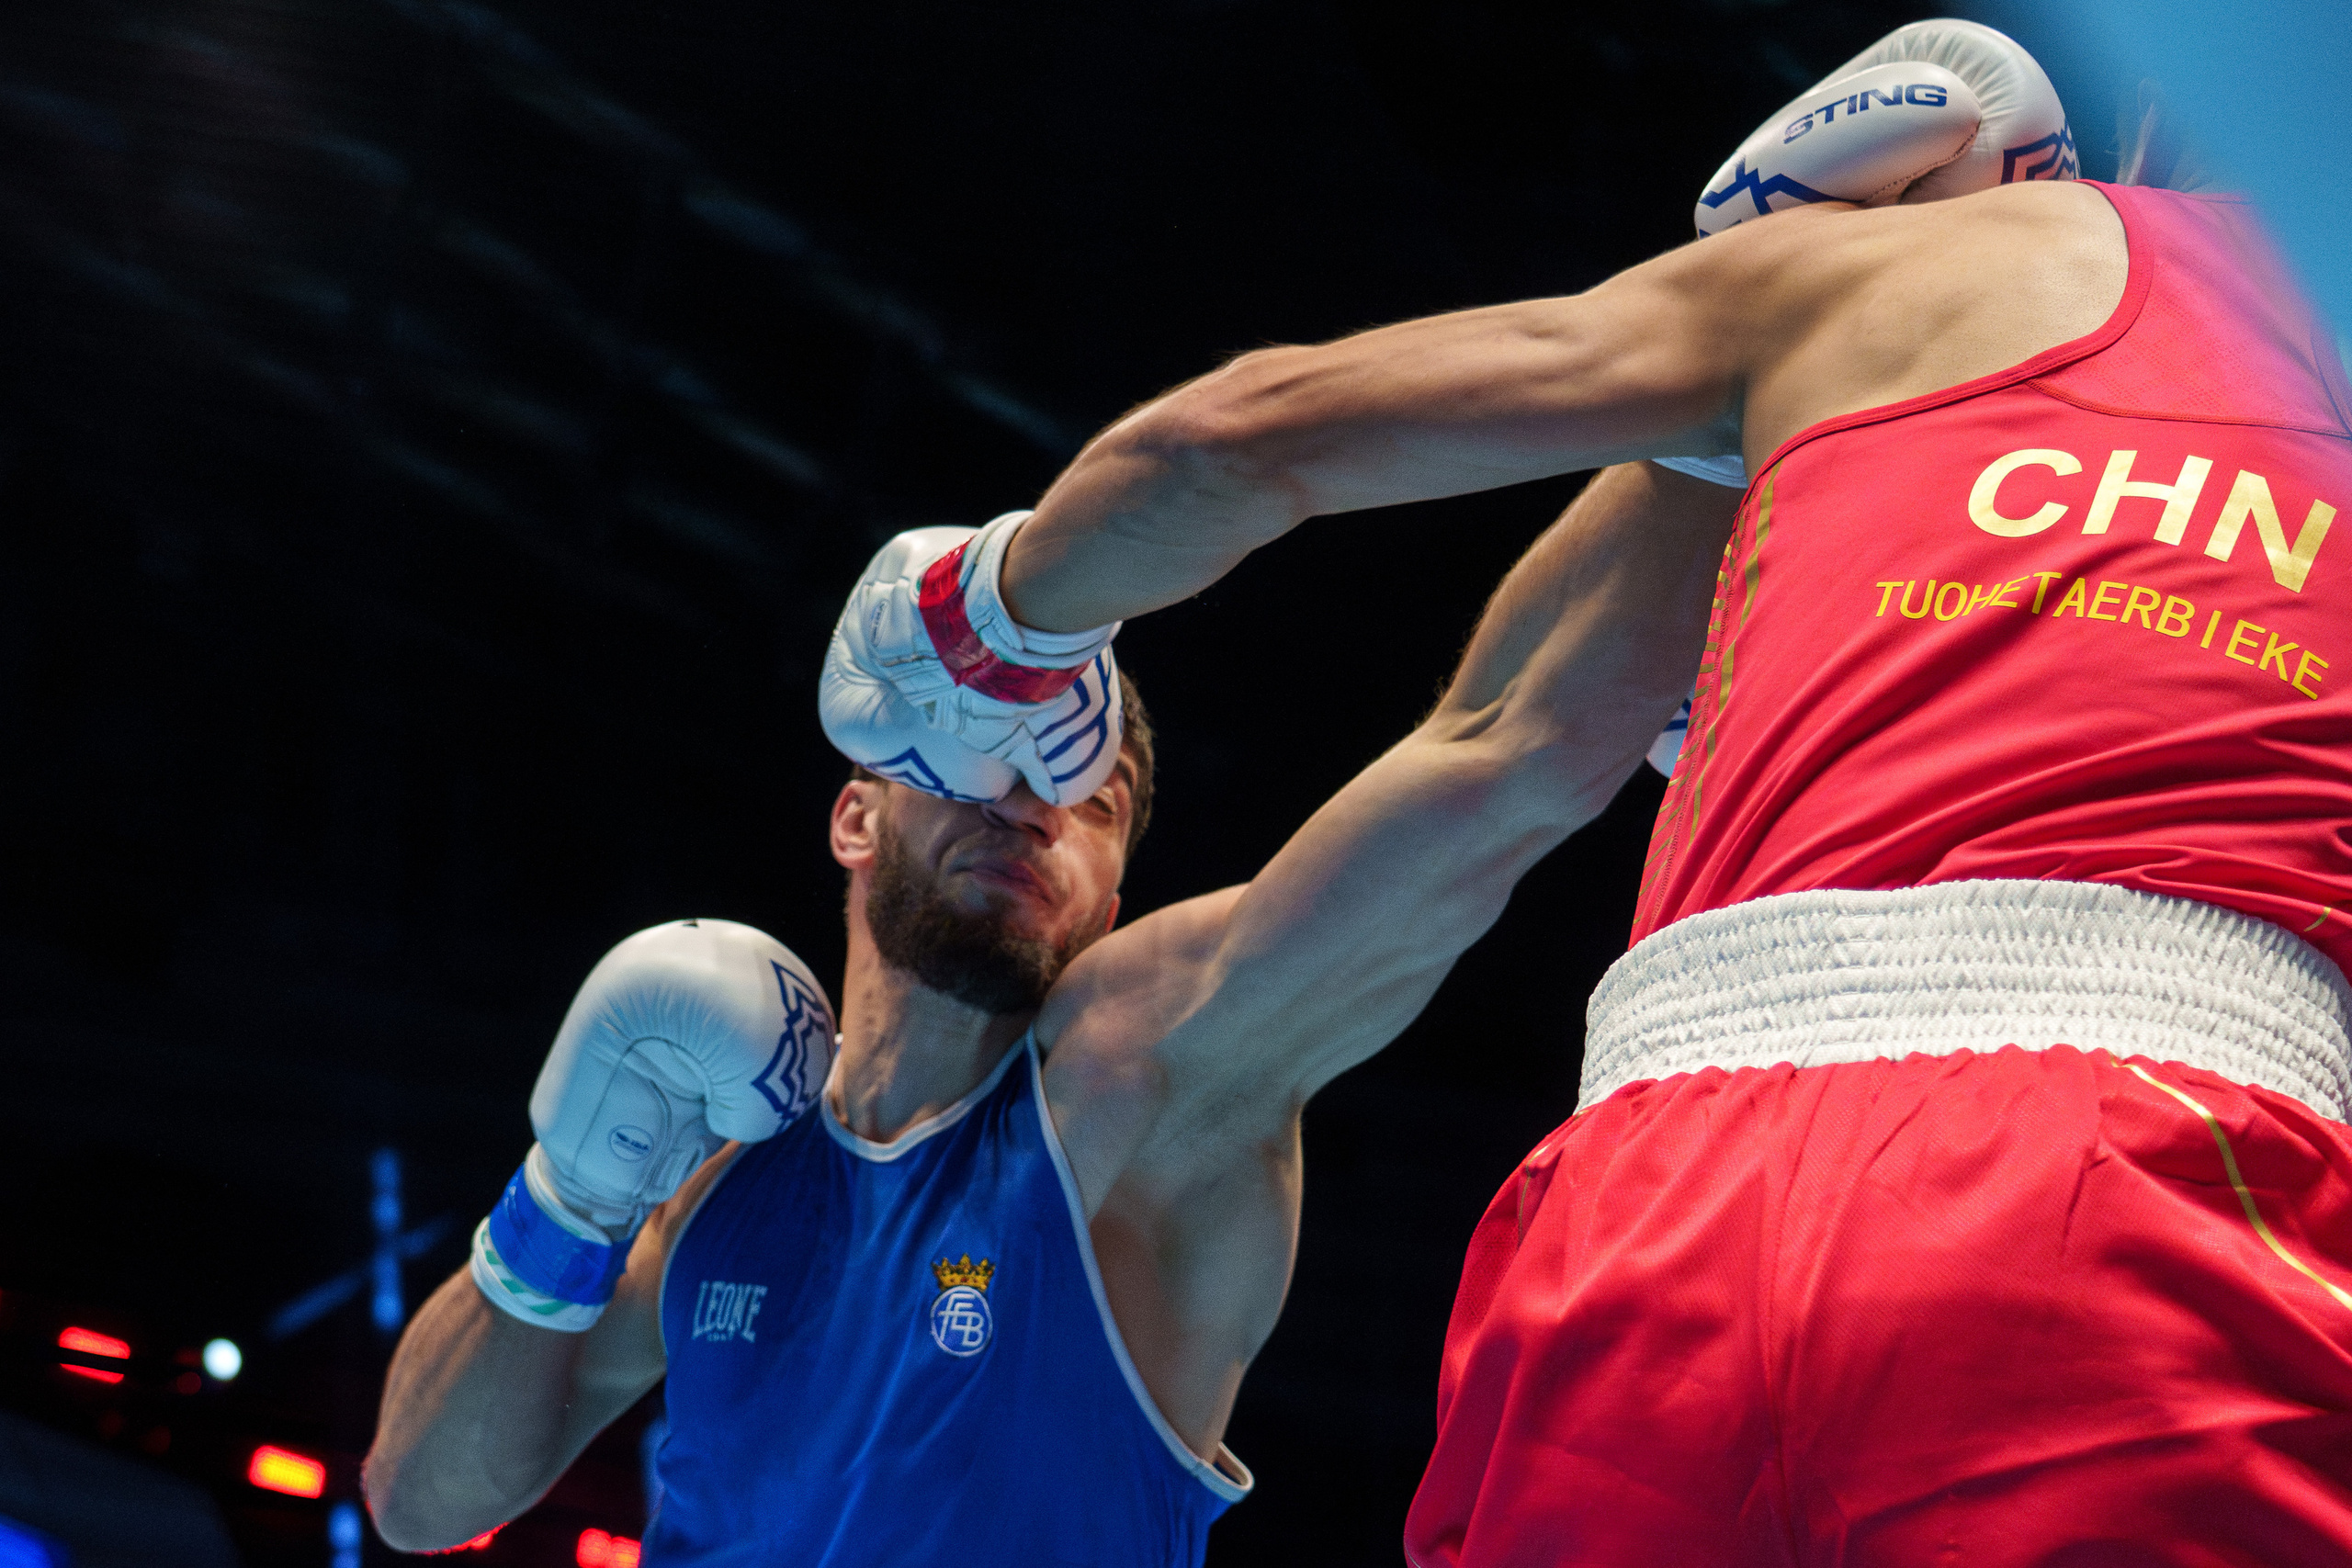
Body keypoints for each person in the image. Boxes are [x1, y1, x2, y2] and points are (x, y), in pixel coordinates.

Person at [968, 22, 2352, 1567]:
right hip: (2155, 1176)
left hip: (1664, 1188)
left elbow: (1232, 444)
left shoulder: (1875, 283)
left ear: (2156, 113)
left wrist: (981, 622)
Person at [358, 449, 1730, 1554]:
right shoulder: (724, 1177)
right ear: (854, 813)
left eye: (1091, 794)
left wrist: (1723, 375)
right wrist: (570, 1192)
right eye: (982, 749)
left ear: (1118, 887)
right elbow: (424, 1505)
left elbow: (1496, 761)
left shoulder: (1140, 1079)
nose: (1033, 799)